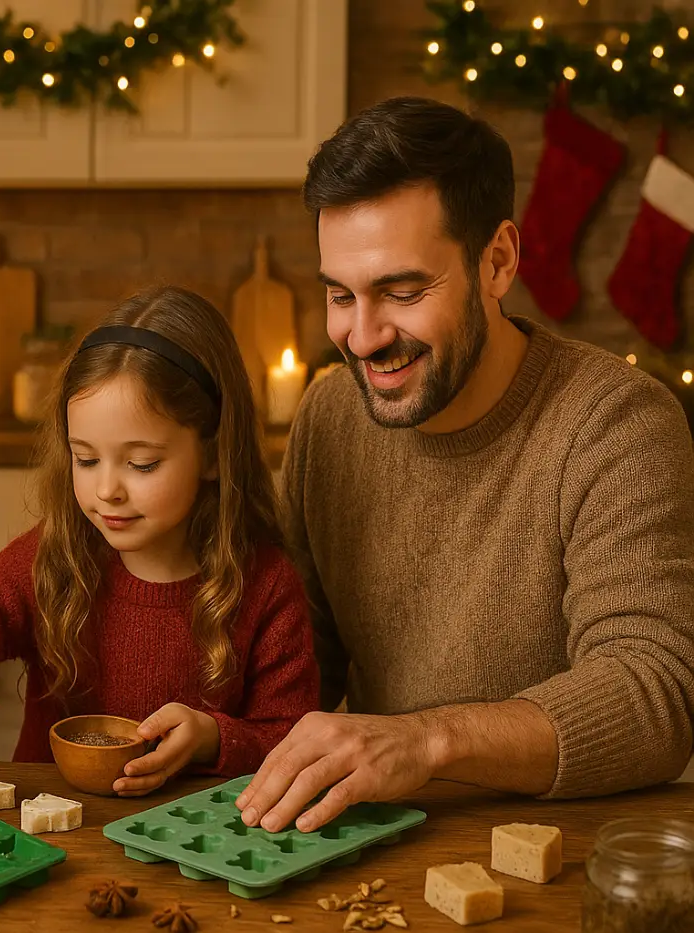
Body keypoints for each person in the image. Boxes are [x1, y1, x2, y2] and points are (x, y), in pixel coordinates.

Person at [237, 97, 694, 835]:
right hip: (373, 846)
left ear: (499, 261)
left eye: (403, 290)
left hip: (562, 856)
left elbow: (655, 696)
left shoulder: (617, 422)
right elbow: (294, 665)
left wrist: (424, 738)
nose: (361, 336)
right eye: (340, 295)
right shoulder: (328, 417)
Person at [0, 285, 318, 795]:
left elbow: (293, 742)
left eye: (142, 464)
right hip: (49, 831)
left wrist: (213, 739)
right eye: (86, 459)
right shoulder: (58, 555)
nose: (107, 490)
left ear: (212, 454)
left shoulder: (266, 587)